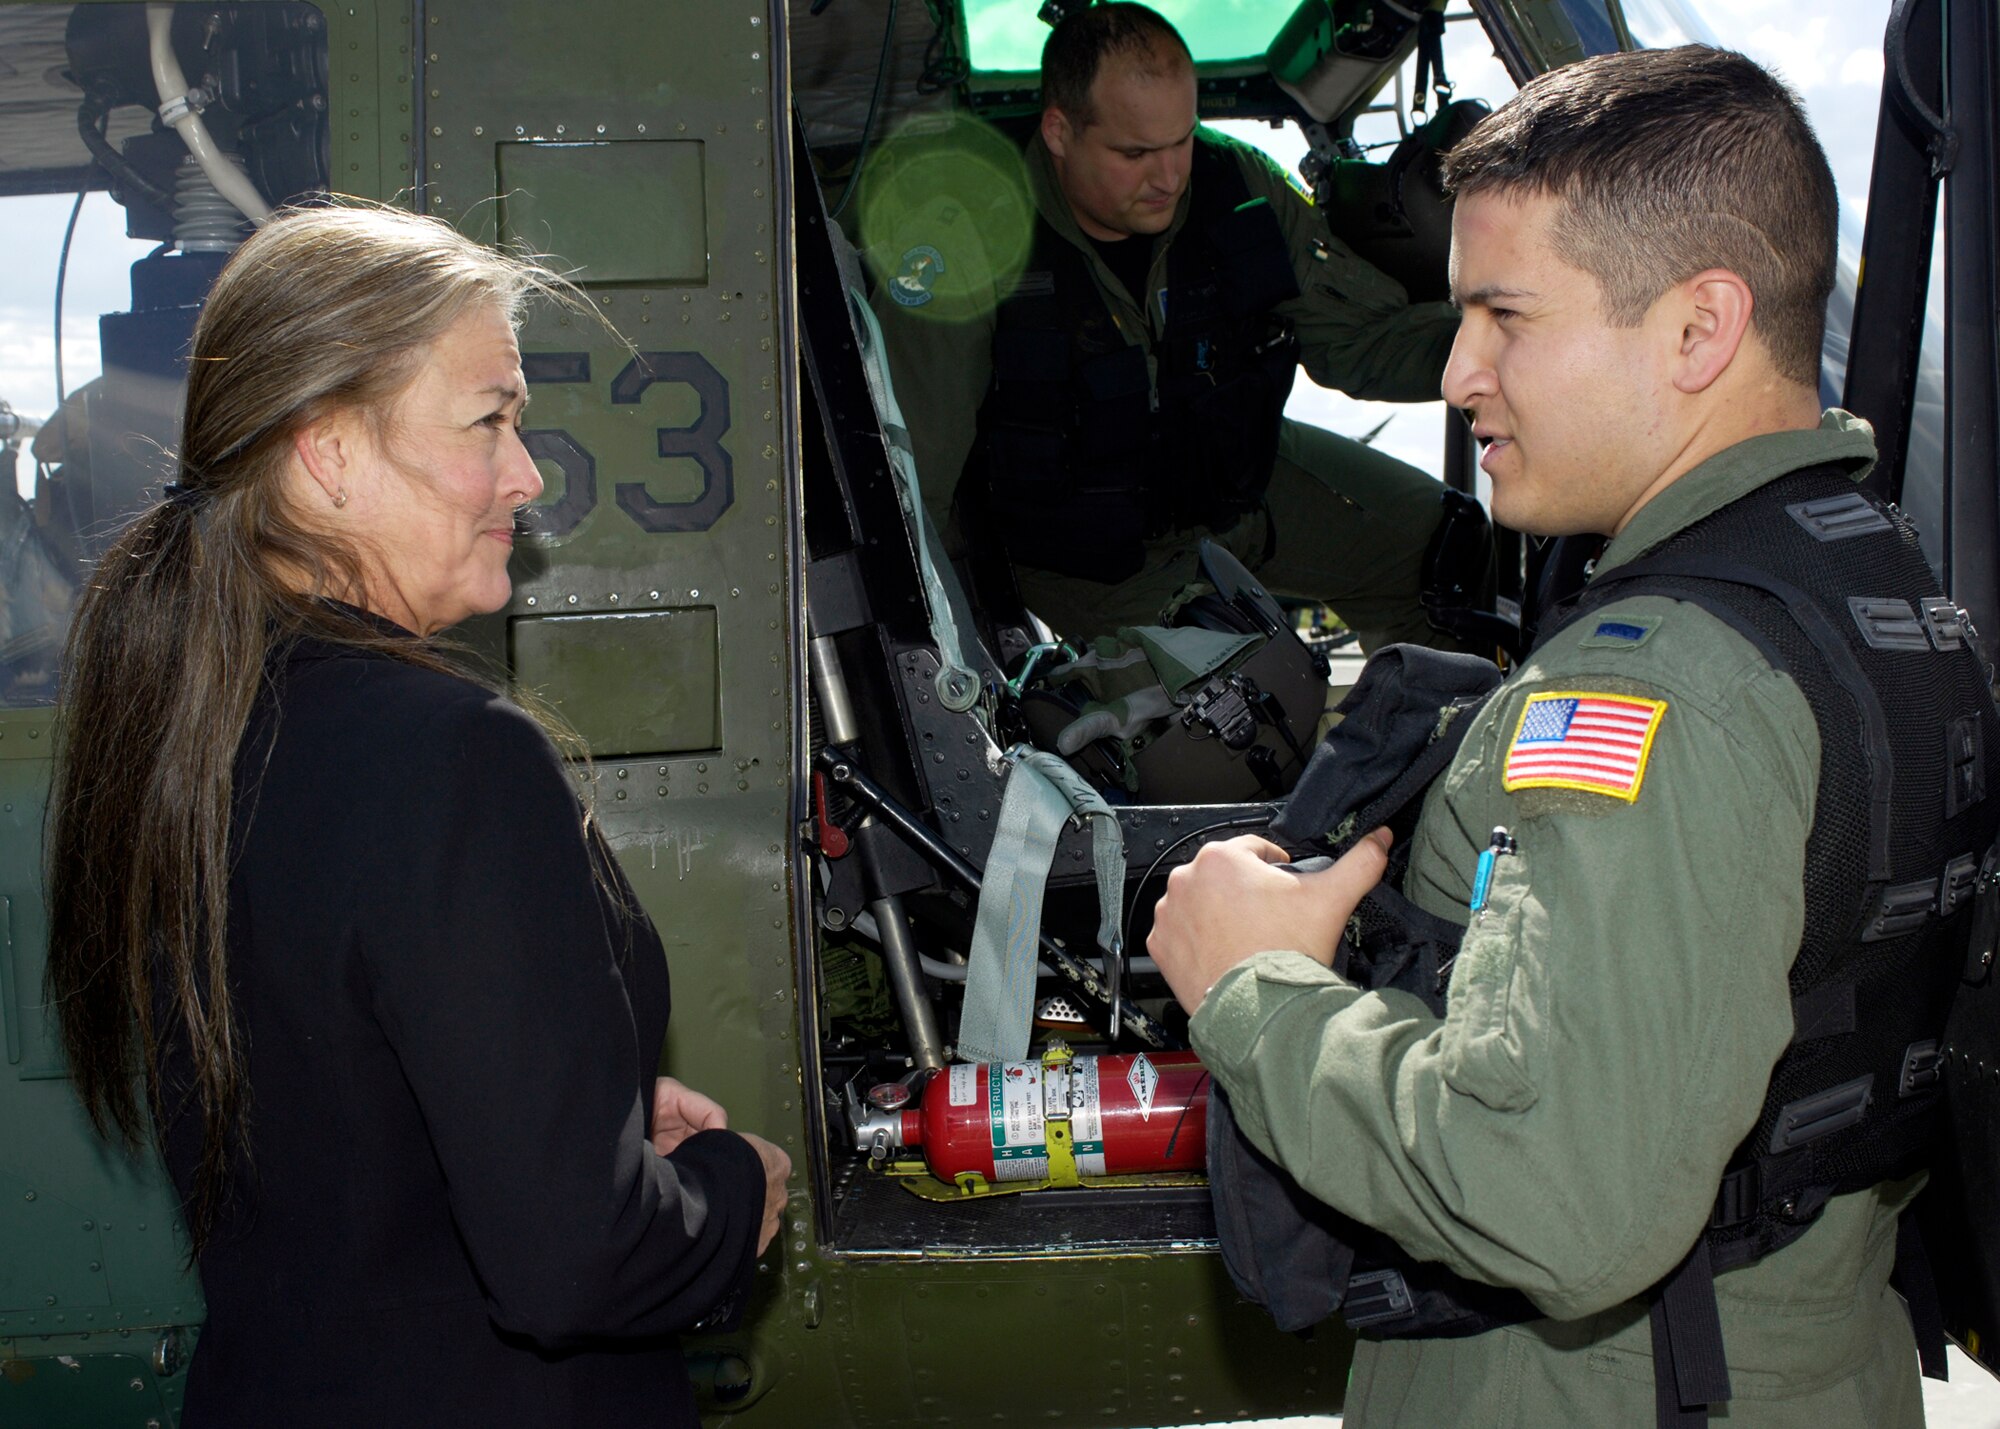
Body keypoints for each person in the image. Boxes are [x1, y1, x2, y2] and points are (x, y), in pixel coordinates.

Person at [1149, 45, 1991, 1428]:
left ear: (1698, 329)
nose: (1461, 372)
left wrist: (1252, 987)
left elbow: (1553, 1194)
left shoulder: (1651, 694)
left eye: (1506, 317)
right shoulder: (1877, 591)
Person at [42, 204, 790, 1427]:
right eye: (487, 419)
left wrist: (564, 1120)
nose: (527, 474)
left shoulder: (190, 738)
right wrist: (721, 1184)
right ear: (326, 452)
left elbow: (329, 1127)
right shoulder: (452, 758)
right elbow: (577, 1266)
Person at [865, 2, 1480, 651]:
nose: (1168, 177)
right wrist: (939, 652)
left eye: (1181, 139)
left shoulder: (1236, 183)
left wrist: (1511, 339)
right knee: (1233, 708)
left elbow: (1359, 343)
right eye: (1134, 152)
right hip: (1084, 553)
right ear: (1058, 132)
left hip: (1232, 482)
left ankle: (1418, 736)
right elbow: (913, 486)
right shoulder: (966, 235)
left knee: (1441, 550)